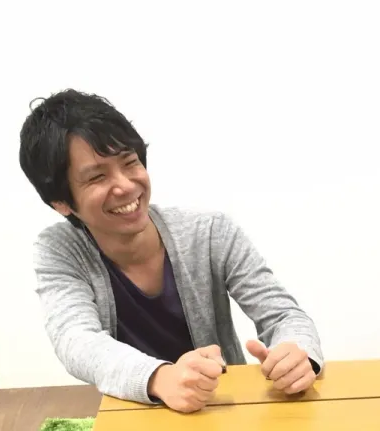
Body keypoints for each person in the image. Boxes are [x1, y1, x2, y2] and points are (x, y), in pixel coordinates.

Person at [18, 89, 324, 413]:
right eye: (97, 177)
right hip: (135, 411)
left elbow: (284, 314)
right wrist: (160, 378)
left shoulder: (210, 232)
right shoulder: (60, 250)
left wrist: (298, 355)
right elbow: (76, 341)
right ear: (61, 203)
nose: (126, 185)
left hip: (219, 406)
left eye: (130, 162)